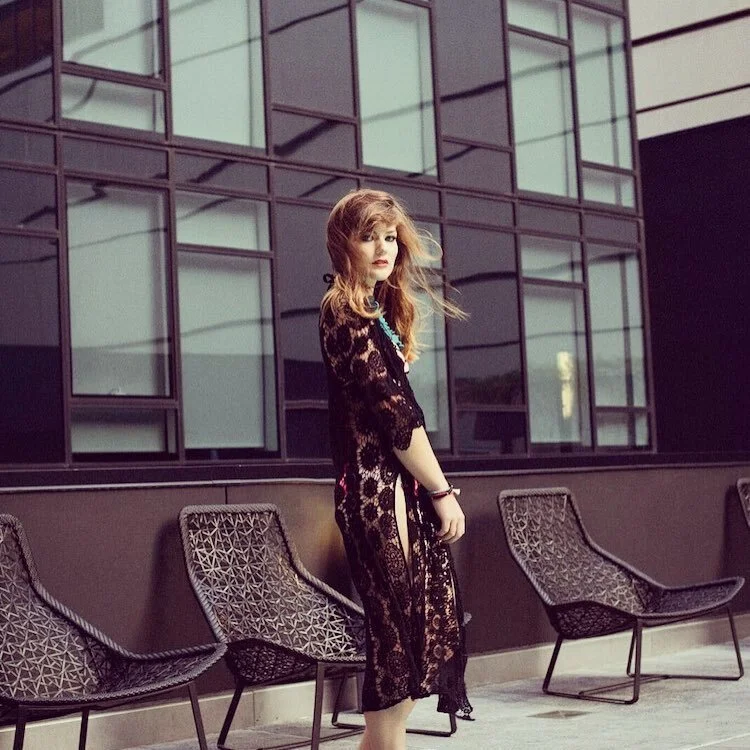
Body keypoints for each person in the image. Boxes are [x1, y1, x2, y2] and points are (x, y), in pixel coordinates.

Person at [319, 189, 472, 750]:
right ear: (344, 244)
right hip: (376, 493)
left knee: (408, 637)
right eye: (368, 237)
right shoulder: (344, 312)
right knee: (396, 637)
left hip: (391, 489)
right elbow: (398, 422)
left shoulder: (371, 312)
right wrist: (442, 491)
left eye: (389, 237)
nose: (383, 248)